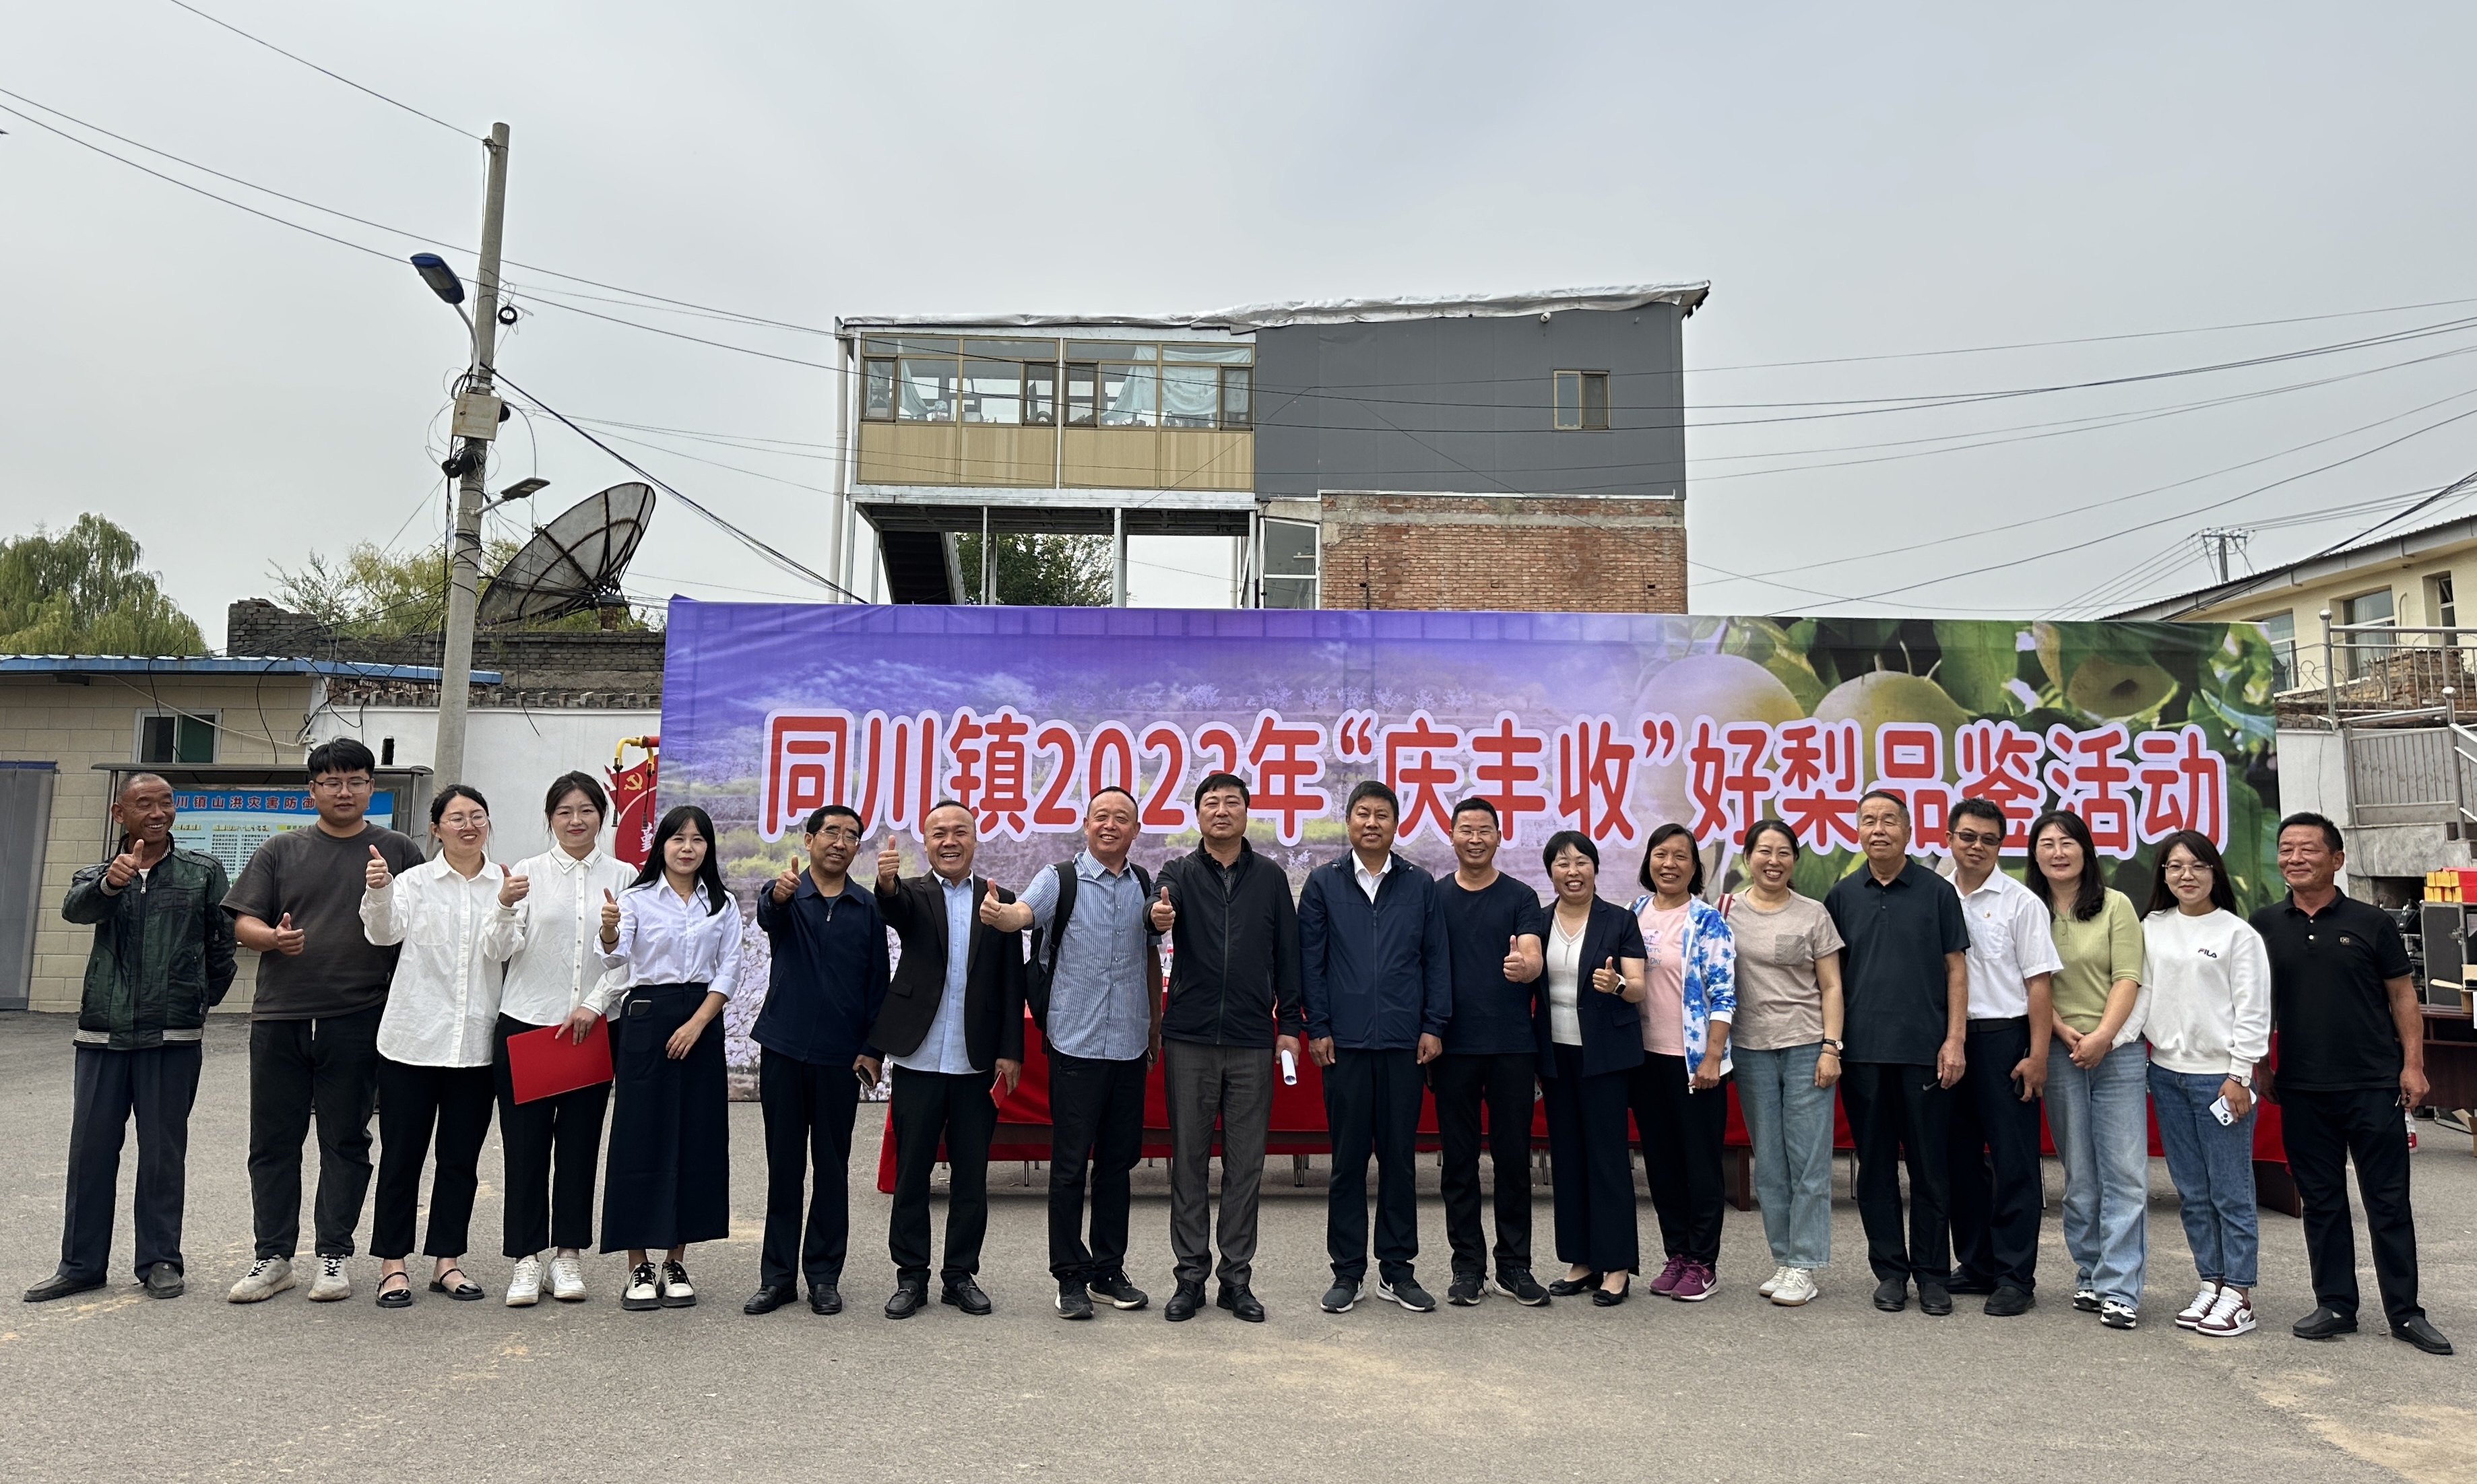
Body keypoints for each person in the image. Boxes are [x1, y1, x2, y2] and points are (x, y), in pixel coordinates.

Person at [221, 737, 427, 1305]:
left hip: (358, 1016)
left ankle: (333, 1253)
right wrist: (273, 938)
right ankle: (273, 1256)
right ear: (311, 789)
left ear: (371, 788)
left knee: (346, 1139)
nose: (344, 791)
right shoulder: (281, 849)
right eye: (331, 781)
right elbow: (243, 921)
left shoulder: (397, 849)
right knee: (273, 1140)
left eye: (356, 780)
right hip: (281, 1014)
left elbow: (423, 925)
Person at [26, 774, 235, 1303]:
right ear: (120, 814)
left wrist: (195, 1000)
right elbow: (76, 909)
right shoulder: (97, 873)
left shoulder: (203, 871)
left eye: (166, 802)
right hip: (103, 1033)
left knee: (163, 1153)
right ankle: (80, 1264)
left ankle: (160, 1259)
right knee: (91, 1152)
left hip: (172, 1034)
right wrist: (111, 884)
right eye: (144, 803)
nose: (158, 812)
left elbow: (222, 945)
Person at [2253, 812, 2451, 1355]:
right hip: (2300, 1086)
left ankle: (2405, 1313)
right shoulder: (2264, 923)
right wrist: (2260, 1064)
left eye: (2308, 849)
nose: (2294, 858)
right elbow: (2255, 1002)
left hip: (2371, 1083)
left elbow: (2401, 995)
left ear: (2336, 859)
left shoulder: (2371, 922)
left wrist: (2413, 1065)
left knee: (2387, 1202)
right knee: (2320, 1201)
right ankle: (2336, 1304)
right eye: (2286, 849)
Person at [983, 787, 1163, 1321]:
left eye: (1121, 818)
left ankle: (1108, 1269)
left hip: (1129, 1044)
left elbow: (1149, 958)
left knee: (1116, 1164)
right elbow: (1021, 914)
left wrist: (1154, 1024)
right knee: (1068, 1166)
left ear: (1135, 830)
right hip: (1075, 1045)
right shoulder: (1058, 878)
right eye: (1101, 816)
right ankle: (1068, 1275)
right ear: (1086, 824)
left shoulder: (1143, 884)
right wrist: (1000, 915)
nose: (1110, 825)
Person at [1149, 772, 1305, 1324]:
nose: (1221, 810)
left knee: (1245, 1164)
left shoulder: (1270, 877)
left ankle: (1236, 1279)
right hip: (1189, 1037)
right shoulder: (1179, 872)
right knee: (1188, 1162)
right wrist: (1157, 916)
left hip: (1250, 1039)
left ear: (1245, 812)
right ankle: (1189, 1277)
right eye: (1211, 802)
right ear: (1198, 815)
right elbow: (1155, 907)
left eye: (1231, 802)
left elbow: (1288, 955)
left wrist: (1289, 1024)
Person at [360, 784, 522, 1309]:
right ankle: (392, 1263)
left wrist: (504, 905)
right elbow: (383, 934)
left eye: (478, 815)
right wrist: (379, 890)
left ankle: (447, 1261)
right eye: (456, 817)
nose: (468, 825)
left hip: (474, 1046)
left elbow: (503, 948)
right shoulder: (413, 882)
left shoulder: (506, 883)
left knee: (459, 1160)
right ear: (436, 829)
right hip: (412, 1041)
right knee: (401, 1157)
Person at [868, 801, 1026, 1320]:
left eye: (960, 831)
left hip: (976, 1061)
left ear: (975, 839)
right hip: (919, 1056)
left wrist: (1011, 1050)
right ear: (926, 842)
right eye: (939, 833)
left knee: (970, 1177)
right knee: (912, 1174)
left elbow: (1011, 980)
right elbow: (893, 909)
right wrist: (886, 884)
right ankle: (911, 1276)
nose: (950, 841)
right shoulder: (912, 893)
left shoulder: (998, 899)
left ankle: (960, 1275)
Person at [1299, 780, 1452, 1315]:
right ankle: (1346, 1272)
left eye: (1381, 814)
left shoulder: (1418, 883)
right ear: (1348, 822)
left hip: (1403, 1045)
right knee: (1346, 1161)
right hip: (1343, 1045)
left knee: (1398, 1160)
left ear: (1395, 823)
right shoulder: (1323, 882)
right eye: (1362, 813)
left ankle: (1397, 1269)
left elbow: (1436, 959)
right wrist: (1317, 1026)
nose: (1371, 822)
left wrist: (1433, 1024)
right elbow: (1311, 962)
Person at [1823, 789, 1969, 1317]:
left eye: (1888, 820)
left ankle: (1931, 1274)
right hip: (1862, 1055)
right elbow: (1831, 978)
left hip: (1923, 1052)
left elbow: (1956, 968)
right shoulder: (1842, 895)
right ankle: (1889, 1271)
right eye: (1868, 820)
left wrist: (1954, 1039)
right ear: (1857, 831)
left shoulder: (1937, 891)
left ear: (1908, 831)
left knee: (1930, 1167)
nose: (1878, 829)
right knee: (1875, 1168)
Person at [494, 771, 637, 1307]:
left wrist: (594, 1004)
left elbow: (634, 955)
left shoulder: (626, 877)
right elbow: (499, 948)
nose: (576, 821)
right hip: (529, 1024)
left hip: (592, 1028)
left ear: (603, 815)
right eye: (564, 812)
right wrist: (504, 905)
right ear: (550, 818)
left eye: (586, 810)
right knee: (525, 1148)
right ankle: (526, 1258)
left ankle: (568, 1255)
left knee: (579, 1146)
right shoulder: (526, 872)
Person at [744, 803, 889, 1319]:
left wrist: (872, 1050)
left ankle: (824, 1276)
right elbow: (768, 912)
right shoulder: (788, 895)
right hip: (783, 1049)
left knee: (831, 1168)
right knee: (783, 1167)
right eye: (831, 832)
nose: (840, 842)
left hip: (838, 1058)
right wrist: (778, 894)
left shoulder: (866, 907)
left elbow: (877, 984)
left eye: (851, 835)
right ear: (809, 840)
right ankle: (777, 1277)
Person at [598, 804, 738, 1312]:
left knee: (696, 1138)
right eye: (678, 838)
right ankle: (638, 1264)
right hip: (646, 1018)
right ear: (662, 845)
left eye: (697, 839)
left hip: (701, 1018)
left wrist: (697, 1023)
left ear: (708, 848)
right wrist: (610, 929)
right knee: (640, 1137)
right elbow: (615, 957)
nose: (687, 848)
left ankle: (676, 1260)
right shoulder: (636, 899)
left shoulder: (721, 903)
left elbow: (730, 969)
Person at [2143, 829, 2271, 1338]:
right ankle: (2210, 1281)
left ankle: (2239, 1293)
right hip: (2165, 1074)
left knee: (2230, 1189)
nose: (2186, 875)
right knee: (2192, 1191)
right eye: (2175, 866)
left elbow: (2253, 1011)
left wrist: (2239, 1074)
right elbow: (2140, 994)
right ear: (2163, 875)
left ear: (2214, 872)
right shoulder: (2152, 926)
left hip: (2219, 1080)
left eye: (2197, 865)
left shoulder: (2237, 934)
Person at [2028, 808, 2150, 1331]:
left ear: (2085, 850)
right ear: (2034, 854)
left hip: (2116, 1050)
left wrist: (2102, 1036)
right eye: (2047, 843)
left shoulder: (2115, 904)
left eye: (2067, 842)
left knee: (2124, 1171)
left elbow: (2128, 977)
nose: (2058, 852)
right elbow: (2028, 980)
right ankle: (2090, 1271)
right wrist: (2059, 1030)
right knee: (2079, 1172)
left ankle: (2120, 1287)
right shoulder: (2028, 908)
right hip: (2057, 1049)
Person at [1429, 798, 1549, 1307]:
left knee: (1512, 1159)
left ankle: (1514, 1265)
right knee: (1458, 1161)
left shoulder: (1520, 895)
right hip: (1452, 1046)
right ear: (1452, 835)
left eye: (1484, 830)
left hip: (1511, 1047)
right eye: (1466, 829)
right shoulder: (1434, 896)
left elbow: (1533, 953)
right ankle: (1467, 1267)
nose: (1475, 838)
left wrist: (1527, 967)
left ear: (1499, 837)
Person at [1942, 796, 2059, 1318]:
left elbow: (2039, 984)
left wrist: (2037, 1055)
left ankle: (2015, 1274)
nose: (1976, 847)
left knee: (2013, 1161)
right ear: (1949, 838)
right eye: (1967, 836)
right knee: (1958, 1158)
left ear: (2000, 845)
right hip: (1948, 1040)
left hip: (2004, 1038)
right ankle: (1975, 1263)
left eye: (1988, 839)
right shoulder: (1934, 895)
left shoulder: (2020, 902)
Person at [1725, 818, 1844, 1310]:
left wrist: (1831, 1047)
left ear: (1794, 860)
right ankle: (1784, 1258)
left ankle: (1805, 1263)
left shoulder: (1813, 913)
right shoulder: (1726, 911)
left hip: (1805, 1045)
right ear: (1747, 857)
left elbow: (1831, 985)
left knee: (1809, 1160)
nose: (1773, 861)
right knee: (1770, 1162)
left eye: (1783, 853)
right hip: (1750, 1048)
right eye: (1764, 851)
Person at [1532, 830, 1648, 1305]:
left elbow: (1638, 987)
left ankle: (1616, 1265)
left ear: (1595, 868)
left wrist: (1617, 983)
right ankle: (1580, 1260)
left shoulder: (1618, 920)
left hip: (1604, 1056)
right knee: (1568, 1156)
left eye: (1581, 861)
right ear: (1550, 872)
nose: (1572, 871)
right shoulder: (1538, 921)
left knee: (1606, 1158)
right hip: (1556, 1055)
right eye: (1562, 863)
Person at [1627, 822, 1737, 1303]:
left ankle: (1703, 1262)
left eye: (1680, 856)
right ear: (1648, 861)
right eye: (1660, 854)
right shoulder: (1634, 913)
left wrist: (1712, 1056)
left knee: (1700, 1164)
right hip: (1644, 1060)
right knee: (1662, 1163)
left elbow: (1724, 994)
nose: (1669, 864)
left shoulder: (1707, 920)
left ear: (1694, 868)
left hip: (1694, 1063)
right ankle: (1676, 1253)